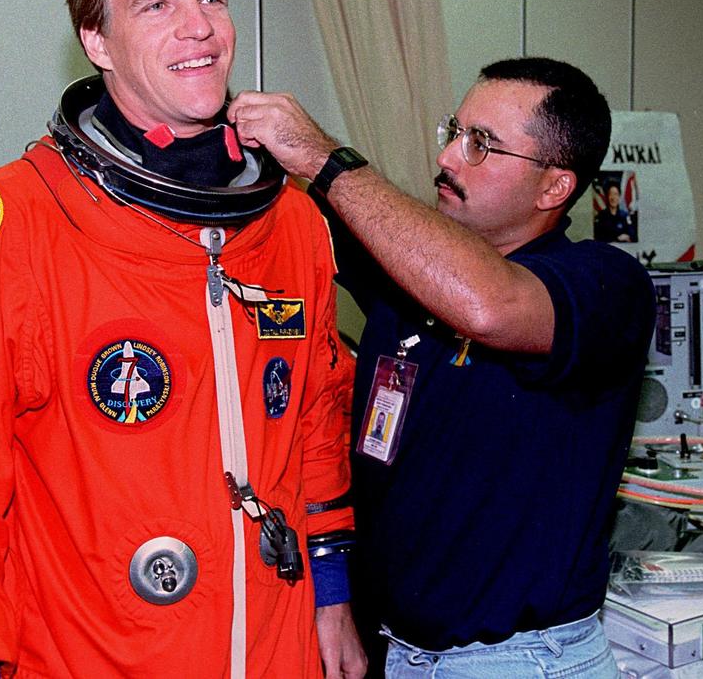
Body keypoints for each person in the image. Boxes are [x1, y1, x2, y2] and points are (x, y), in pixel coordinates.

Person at [0, 0, 365, 679]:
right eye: (155, 4)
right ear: (96, 39)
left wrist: (330, 596)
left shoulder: (293, 222)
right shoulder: (13, 227)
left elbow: (315, 416)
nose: (198, 27)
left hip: (279, 649)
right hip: (92, 654)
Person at [230, 58, 655, 677]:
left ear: (554, 188)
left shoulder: (605, 287)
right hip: (398, 652)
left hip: (520, 662)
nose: (450, 158)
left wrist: (326, 158)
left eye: (481, 145)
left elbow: (490, 305)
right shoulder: (410, 277)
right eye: (455, 132)